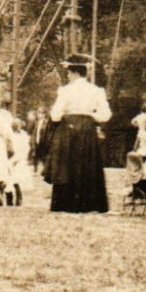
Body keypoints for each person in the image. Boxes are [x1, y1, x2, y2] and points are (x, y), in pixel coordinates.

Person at [44, 54, 113, 213]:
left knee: (67, 164)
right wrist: (91, 117)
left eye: (68, 72)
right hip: (88, 129)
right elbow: (106, 114)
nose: (67, 75)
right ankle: (90, 203)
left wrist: (65, 117)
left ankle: (65, 203)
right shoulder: (96, 91)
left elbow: (55, 114)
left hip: (69, 128)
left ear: (74, 72)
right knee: (87, 163)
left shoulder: (66, 90)